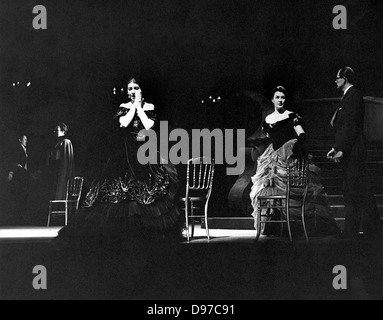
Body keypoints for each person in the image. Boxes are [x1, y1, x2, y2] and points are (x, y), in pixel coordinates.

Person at [55, 78, 181, 251]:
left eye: (136, 88)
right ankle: (114, 236)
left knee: (147, 194)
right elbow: (123, 123)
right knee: (115, 194)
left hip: (145, 151)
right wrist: (134, 107)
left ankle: (145, 234)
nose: (132, 91)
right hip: (124, 153)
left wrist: (139, 107)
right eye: (130, 88)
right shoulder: (124, 106)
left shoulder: (149, 107)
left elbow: (148, 125)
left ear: (142, 90)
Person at [250, 86, 340, 237]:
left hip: (289, 153)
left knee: (294, 191)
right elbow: (268, 136)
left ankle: (297, 228)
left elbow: (301, 133)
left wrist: (297, 145)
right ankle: (276, 228)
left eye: (282, 97)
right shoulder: (268, 119)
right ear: (272, 100)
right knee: (268, 189)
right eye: (277, 97)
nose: (280, 100)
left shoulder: (291, 116)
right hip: (272, 156)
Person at [327, 67, 380, 239]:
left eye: (337, 78)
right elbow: (343, 126)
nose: (335, 81)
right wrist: (336, 147)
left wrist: (341, 148)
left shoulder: (353, 96)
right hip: (352, 150)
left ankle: (358, 231)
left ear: (344, 78)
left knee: (355, 190)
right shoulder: (348, 97)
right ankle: (367, 230)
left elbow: (350, 126)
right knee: (357, 190)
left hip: (354, 152)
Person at [46, 123, 74, 200]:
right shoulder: (55, 144)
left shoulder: (66, 142)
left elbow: (69, 159)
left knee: (61, 192)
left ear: (62, 131)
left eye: (56, 130)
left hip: (62, 171)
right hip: (55, 171)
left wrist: (69, 173)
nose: (54, 131)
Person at [6, 134, 29, 224]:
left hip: (24, 175)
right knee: (19, 196)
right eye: (24, 139)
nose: (26, 141)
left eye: (27, 139)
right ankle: (18, 218)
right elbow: (14, 162)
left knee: (23, 196)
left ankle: (21, 217)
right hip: (19, 176)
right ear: (20, 140)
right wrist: (12, 172)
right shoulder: (17, 149)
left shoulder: (25, 149)